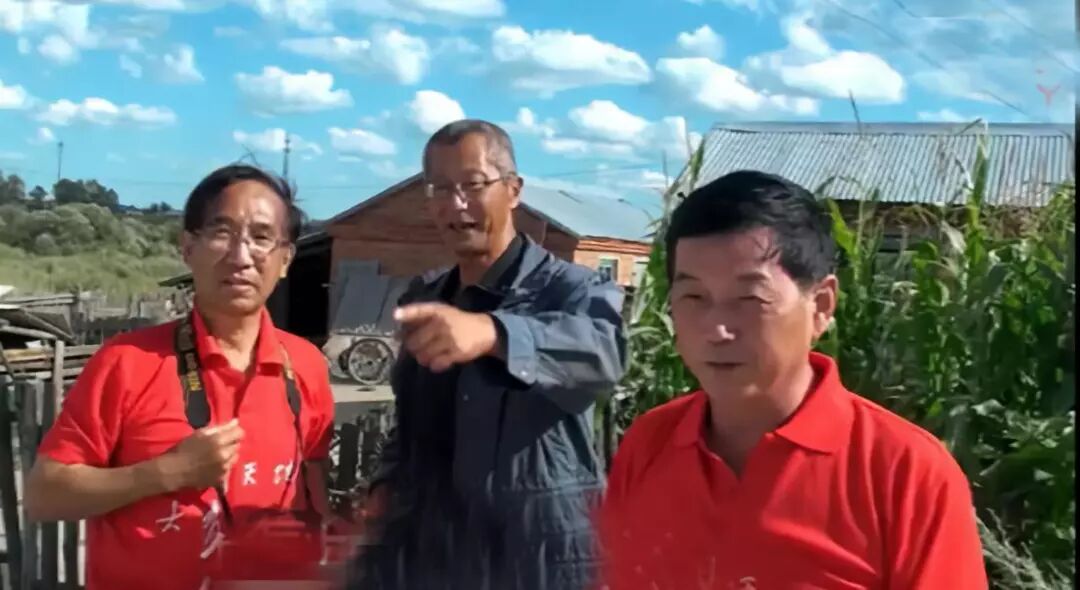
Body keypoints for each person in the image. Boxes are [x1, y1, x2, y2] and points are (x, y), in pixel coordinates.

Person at [597, 170, 987, 589]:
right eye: (693, 297)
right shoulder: (649, 444)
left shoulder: (906, 474)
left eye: (750, 298)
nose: (717, 329)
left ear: (821, 305)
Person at [26, 165, 337, 589]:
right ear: (188, 247)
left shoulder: (305, 364)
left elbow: (312, 479)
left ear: (285, 260)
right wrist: (166, 473)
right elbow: (44, 496)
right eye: (222, 232)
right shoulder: (126, 362)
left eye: (262, 237)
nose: (241, 256)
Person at [354, 119, 626, 590]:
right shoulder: (427, 297)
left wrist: (494, 333)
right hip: (433, 556)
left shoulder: (573, 289)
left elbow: (605, 354)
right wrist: (387, 481)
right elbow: (414, 416)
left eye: (473, 185)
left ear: (513, 190)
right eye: (440, 189)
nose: (456, 204)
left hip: (538, 559)